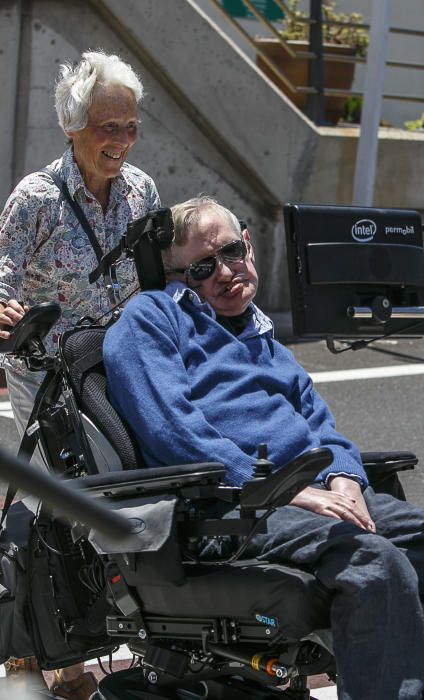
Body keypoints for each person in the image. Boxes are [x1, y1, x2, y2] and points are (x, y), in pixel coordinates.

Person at [103, 196, 424, 700]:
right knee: (373, 561)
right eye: (203, 268)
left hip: (314, 492)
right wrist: (287, 492)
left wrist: (346, 477)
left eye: (232, 252)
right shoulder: (151, 319)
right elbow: (176, 435)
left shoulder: (260, 335)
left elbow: (322, 425)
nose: (226, 272)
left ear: (248, 244)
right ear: (177, 277)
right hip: (230, 508)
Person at [0, 50, 160, 699]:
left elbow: (156, 282)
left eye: (130, 127)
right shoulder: (36, 197)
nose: (121, 142)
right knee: (59, 502)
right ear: (72, 125)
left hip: (111, 370)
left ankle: (111, 632)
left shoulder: (141, 192)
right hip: (44, 373)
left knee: (120, 491)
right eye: (108, 127)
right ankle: (56, 657)